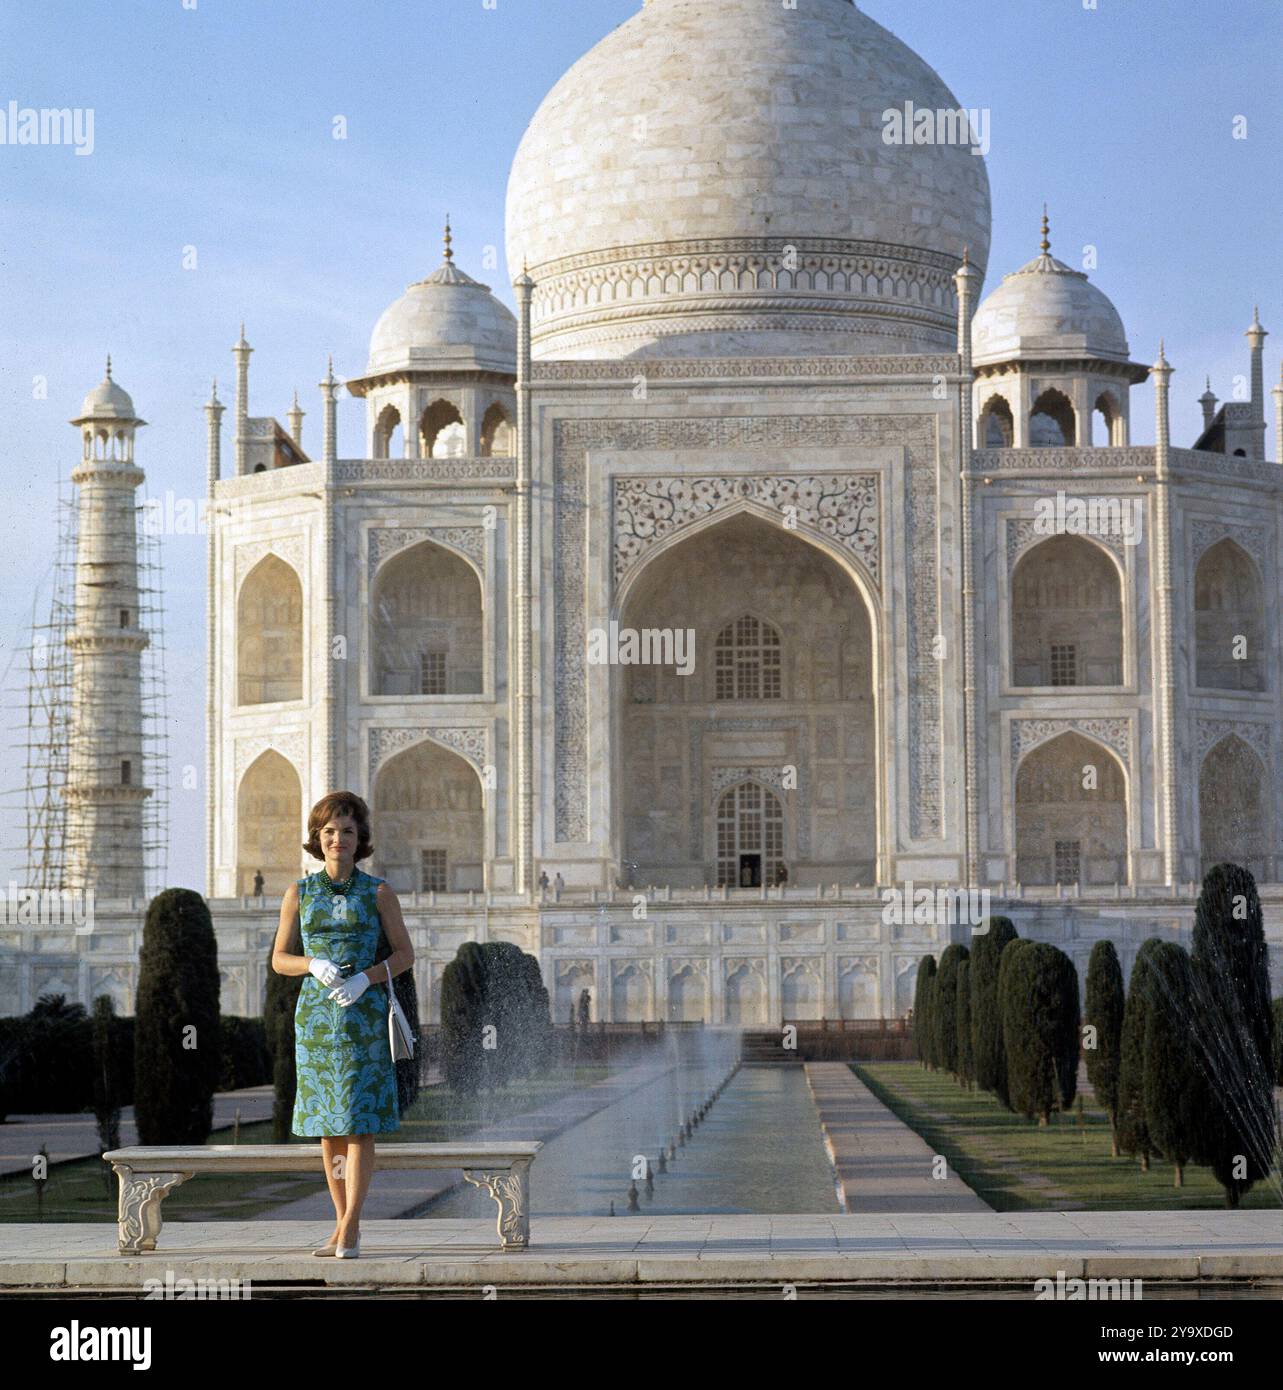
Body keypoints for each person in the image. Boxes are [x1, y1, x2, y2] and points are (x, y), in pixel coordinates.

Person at [271, 790, 413, 1259]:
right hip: (316, 1019)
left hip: (363, 1015)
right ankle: (340, 1223)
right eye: (330, 832)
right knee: (328, 1127)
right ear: (318, 838)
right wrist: (311, 964)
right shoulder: (300, 891)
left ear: (360, 838)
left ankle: (352, 1225)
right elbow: (279, 959)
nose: (338, 839)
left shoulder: (377, 892)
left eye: (347, 831)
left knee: (359, 1124)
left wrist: (367, 979)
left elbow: (404, 955)